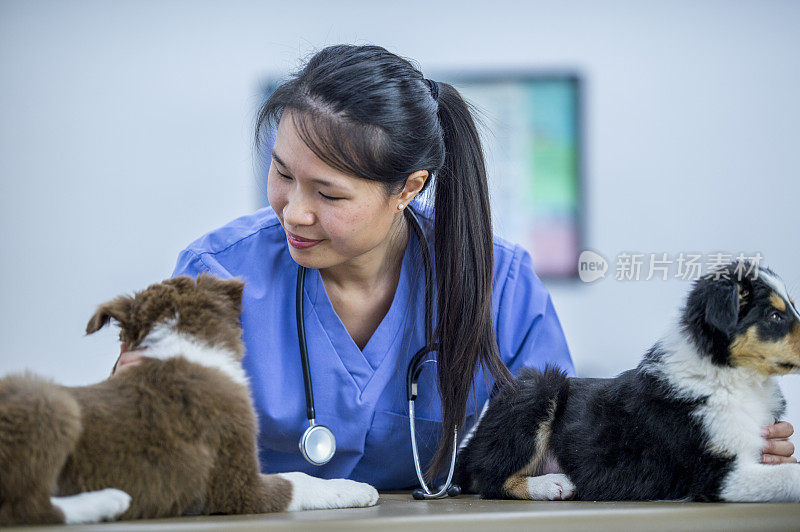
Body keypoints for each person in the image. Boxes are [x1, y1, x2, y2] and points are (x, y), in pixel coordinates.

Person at [115, 44, 795, 490]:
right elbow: (161, 459)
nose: (293, 211)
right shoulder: (214, 276)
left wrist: (714, 444)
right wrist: (129, 410)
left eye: (328, 194)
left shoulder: (502, 284)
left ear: (408, 188)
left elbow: (572, 443)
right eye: (282, 174)